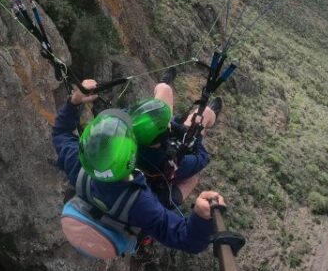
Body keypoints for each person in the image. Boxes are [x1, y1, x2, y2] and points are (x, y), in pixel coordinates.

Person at [52, 79, 226, 255]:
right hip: (136, 208)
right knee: (192, 179)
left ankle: (195, 107)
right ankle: (207, 114)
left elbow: (61, 134)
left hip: (97, 204)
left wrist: (74, 102)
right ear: (131, 158)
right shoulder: (141, 205)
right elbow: (187, 239)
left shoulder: (76, 164)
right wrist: (201, 216)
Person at [130, 67, 222, 208]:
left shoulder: (127, 136)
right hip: (160, 186)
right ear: (166, 133)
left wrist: (172, 125)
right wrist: (194, 137)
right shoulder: (176, 163)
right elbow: (203, 158)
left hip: (142, 161)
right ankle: (212, 114)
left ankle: (164, 84)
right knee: (205, 114)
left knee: (164, 90)